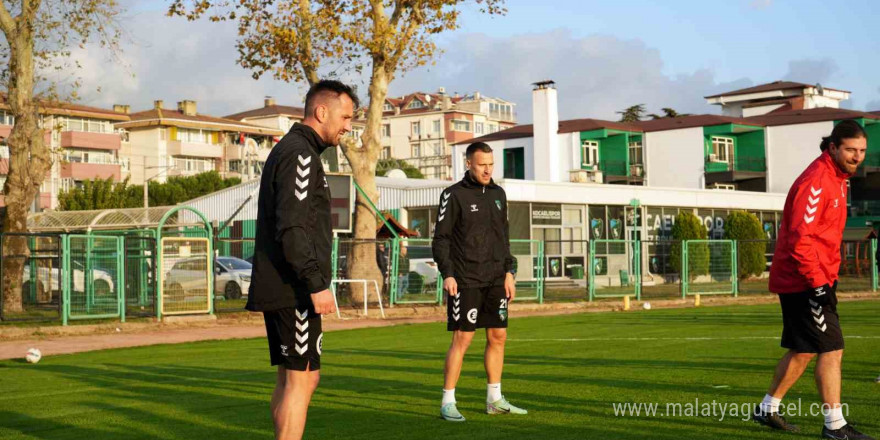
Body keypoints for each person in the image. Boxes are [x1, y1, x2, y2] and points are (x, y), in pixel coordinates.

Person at [246, 79, 357, 440]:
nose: (348, 125)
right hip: (293, 289)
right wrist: (315, 283)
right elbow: (292, 228)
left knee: (295, 377)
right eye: (346, 116)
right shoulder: (300, 155)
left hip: (286, 285)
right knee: (302, 377)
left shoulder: (295, 150)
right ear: (321, 112)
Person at [752, 120, 873, 440]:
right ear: (832, 147)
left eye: (862, 150)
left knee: (803, 349)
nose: (857, 156)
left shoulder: (838, 179)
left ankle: (767, 408)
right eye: (850, 149)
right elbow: (799, 239)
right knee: (832, 349)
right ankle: (835, 426)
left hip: (815, 277)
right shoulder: (817, 180)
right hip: (804, 280)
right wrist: (817, 283)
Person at [432, 142, 526, 422]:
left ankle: (494, 399)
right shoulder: (453, 195)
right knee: (463, 339)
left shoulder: (499, 194)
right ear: (469, 164)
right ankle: (448, 401)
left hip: (496, 278)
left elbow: (504, 238)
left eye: (491, 164)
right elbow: (441, 239)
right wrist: (448, 273)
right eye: (482, 164)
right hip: (466, 279)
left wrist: (510, 272)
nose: (487, 169)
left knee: (498, 336)